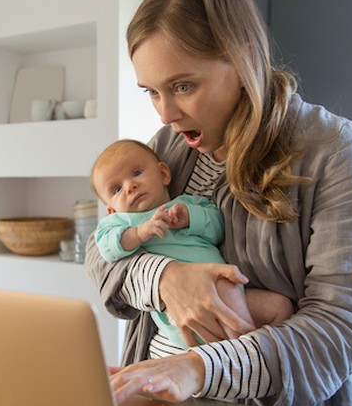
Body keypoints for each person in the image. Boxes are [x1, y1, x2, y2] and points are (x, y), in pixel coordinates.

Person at [85, 0, 352, 406]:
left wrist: (200, 368)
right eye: (151, 91)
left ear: (243, 58)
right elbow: (100, 249)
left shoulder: (333, 150)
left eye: (183, 86)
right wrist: (167, 277)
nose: (165, 113)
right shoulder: (165, 148)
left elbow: (345, 326)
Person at [90, 138, 293, 351]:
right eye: (116, 189)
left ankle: (264, 355)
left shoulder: (188, 204)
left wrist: (190, 218)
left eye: (137, 173)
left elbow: (218, 229)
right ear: (111, 210)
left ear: (163, 174)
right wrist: (140, 233)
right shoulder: (121, 223)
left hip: (234, 294)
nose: (130, 187)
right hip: (182, 313)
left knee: (280, 306)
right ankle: (242, 352)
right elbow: (107, 248)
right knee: (224, 283)